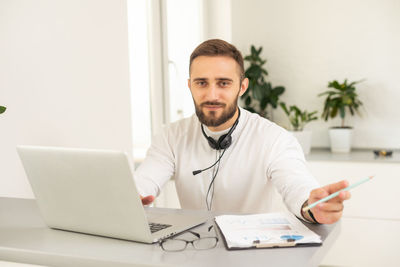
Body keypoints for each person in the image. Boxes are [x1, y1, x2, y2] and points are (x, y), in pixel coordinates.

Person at [135, 39, 350, 224]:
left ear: (242, 87)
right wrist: (132, 197)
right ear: (190, 86)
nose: (212, 95)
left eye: (223, 83)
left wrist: (312, 207)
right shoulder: (171, 136)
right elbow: (145, 181)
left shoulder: (273, 138)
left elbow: (297, 186)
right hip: (191, 251)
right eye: (202, 83)